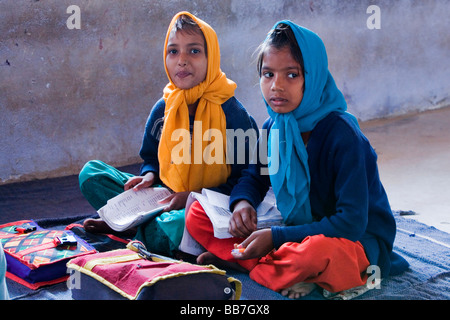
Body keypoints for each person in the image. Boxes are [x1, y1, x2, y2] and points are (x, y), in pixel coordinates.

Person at [185, 20, 409, 298]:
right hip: (295, 227)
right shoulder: (273, 127)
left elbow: (351, 223)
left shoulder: (343, 136)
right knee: (196, 215)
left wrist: (276, 238)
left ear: (312, 78)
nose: (276, 86)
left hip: (353, 239)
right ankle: (277, 268)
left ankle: (247, 263)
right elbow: (254, 177)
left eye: (291, 75)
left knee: (315, 255)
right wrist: (243, 204)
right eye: (268, 74)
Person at [79, 12, 258, 256]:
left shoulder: (232, 113)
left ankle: (128, 227)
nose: (181, 61)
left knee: (177, 224)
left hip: (205, 205)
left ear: (212, 57)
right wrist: (149, 176)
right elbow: (151, 157)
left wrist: (192, 197)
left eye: (194, 51)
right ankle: (137, 225)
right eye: (173, 51)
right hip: (163, 195)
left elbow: (246, 178)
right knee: (91, 174)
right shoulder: (165, 107)